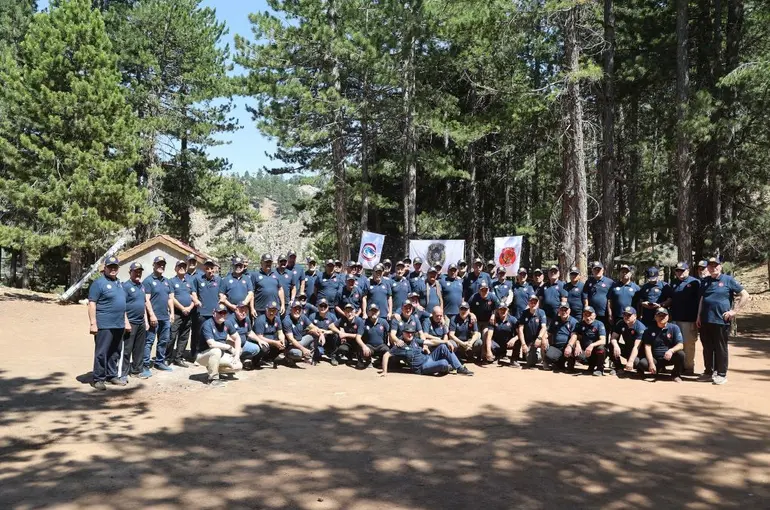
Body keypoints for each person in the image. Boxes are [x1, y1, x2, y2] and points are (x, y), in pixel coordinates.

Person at [697, 257, 750, 385]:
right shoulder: (705, 281)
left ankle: (721, 374)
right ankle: (708, 372)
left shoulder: (728, 280)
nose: (713, 268)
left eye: (715, 265)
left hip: (721, 320)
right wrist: (698, 316)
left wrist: (734, 311)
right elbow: (702, 299)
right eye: (710, 266)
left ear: (720, 266)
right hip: (705, 320)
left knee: (720, 348)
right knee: (707, 348)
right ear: (707, 268)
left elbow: (745, 295)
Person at [88, 256, 131, 390]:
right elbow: (91, 303)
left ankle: (111, 375)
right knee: (102, 352)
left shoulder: (119, 283)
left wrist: (126, 322)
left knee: (115, 352)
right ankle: (98, 379)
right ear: (105, 268)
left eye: (115, 267)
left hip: (119, 324)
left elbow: (122, 305)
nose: (113, 269)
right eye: (110, 266)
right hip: (104, 324)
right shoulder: (98, 283)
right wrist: (93, 323)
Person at [380, 324, 474, 377]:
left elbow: (431, 342)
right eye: (408, 333)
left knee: (443, 347)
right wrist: (384, 371)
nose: (410, 335)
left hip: (429, 358)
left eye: (412, 333)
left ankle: (460, 368)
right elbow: (386, 355)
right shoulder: (400, 345)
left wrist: (446, 341)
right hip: (421, 367)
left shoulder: (415, 340)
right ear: (403, 333)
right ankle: (447, 367)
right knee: (444, 363)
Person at [197, 303, 242, 387]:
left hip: (220, 354)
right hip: (202, 355)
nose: (222, 315)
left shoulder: (227, 323)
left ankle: (213, 368)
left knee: (238, 366)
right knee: (216, 350)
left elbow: (237, 338)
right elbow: (211, 344)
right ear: (214, 313)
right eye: (219, 313)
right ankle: (213, 379)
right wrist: (229, 347)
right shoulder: (208, 324)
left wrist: (237, 355)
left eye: (224, 313)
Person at [143, 256, 175, 372]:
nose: (161, 266)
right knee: (149, 341)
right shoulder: (148, 281)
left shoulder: (167, 281)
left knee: (163, 341)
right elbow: (146, 300)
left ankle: (159, 362)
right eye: (159, 264)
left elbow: (170, 299)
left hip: (165, 318)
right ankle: (145, 364)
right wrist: (151, 315)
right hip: (153, 318)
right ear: (154, 265)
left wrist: (172, 313)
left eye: (163, 264)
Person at [637, 308, 685, 382]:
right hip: (655, 358)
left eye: (664, 315)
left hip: (668, 357)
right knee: (643, 363)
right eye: (659, 315)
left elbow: (680, 345)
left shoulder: (674, 328)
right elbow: (647, 347)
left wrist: (671, 350)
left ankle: (675, 374)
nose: (662, 317)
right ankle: (654, 371)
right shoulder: (649, 329)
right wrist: (651, 363)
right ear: (655, 317)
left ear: (668, 317)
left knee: (681, 354)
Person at [670, 261, 701, 375]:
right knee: (676, 344)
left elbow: (700, 301)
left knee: (688, 344)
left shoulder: (695, 282)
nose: (680, 273)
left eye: (682, 270)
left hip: (689, 319)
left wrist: (698, 317)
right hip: (675, 319)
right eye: (678, 271)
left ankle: (688, 367)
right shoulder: (673, 283)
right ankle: (678, 366)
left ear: (688, 270)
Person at [169, 260, 199, 368]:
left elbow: (194, 296)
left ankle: (179, 358)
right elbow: (172, 298)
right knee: (172, 336)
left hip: (188, 313)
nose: (181, 268)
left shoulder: (190, 281)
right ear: (175, 268)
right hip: (177, 313)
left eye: (183, 266)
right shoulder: (171, 281)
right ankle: (168, 358)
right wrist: (182, 308)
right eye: (179, 266)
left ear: (186, 268)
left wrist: (190, 308)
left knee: (184, 337)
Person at [192, 259, 222, 361]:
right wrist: (196, 300)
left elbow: (222, 294)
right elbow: (193, 293)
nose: (210, 270)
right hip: (202, 312)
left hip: (215, 313)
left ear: (215, 269)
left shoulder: (219, 280)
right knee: (199, 334)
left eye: (212, 268)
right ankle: (196, 354)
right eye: (207, 268)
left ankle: (211, 354)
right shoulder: (198, 279)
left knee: (213, 334)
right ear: (204, 268)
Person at [566, 306, 607, 376]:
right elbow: (575, 336)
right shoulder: (579, 324)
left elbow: (603, 340)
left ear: (595, 315)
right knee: (571, 344)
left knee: (601, 348)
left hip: (594, 351)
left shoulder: (599, 324)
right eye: (585, 315)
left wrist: (592, 345)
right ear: (583, 316)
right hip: (584, 351)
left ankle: (599, 369)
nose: (588, 318)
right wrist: (577, 344)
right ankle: (570, 367)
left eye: (590, 315)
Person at [226, 301, 268, 370]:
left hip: (244, 344)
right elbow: (226, 338)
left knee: (257, 348)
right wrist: (236, 347)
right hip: (231, 346)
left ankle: (243, 359)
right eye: (241, 310)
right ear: (236, 309)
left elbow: (249, 332)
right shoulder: (229, 320)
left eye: (246, 310)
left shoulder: (246, 319)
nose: (244, 312)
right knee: (236, 368)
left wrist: (259, 340)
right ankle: (234, 359)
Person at [608, 306, 647, 377]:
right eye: (624, 315)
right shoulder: (621, 323)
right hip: (628, 348)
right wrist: (616, 346)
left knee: (636, 362)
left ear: (635, 316)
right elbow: (613, 337)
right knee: (611, 345)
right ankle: (619, 368)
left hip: (639, 353)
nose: (626, 317)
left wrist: (630, 361)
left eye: (629, 315)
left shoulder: (640, 327)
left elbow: (636, 347)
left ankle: (640, 371)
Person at [282, 300, 318, 366]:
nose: (297, 311)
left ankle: (308, 357)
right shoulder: (286, 320)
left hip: (300, 341)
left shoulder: (303, 316)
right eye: (295, 308)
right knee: (299, 354)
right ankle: (287, 357)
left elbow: (313, 327)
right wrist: (303, 349)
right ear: (291, 309)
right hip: (291, 346)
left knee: (315, 334)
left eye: (299, 309)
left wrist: (321, 334)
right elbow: (291, 340)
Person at [516, 294, 548, 368]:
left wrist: (539, 338)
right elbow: (520, 329)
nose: (533, 304)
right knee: (530, 362)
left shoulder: (541, 312)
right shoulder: (524, 313)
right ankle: (537, 355)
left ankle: (545, 362)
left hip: (538, 339)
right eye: (531, 302)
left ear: (538, 303)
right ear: (528, 303)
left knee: (544, 340)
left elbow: (544, 327)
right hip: (529, 341)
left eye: (535, 302)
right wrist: (523, 344)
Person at [544, 304, 578, 371]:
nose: (563, 312)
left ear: (569, 311)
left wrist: (569, 346)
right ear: (559, 311)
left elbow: (574, 335)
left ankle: (570, 364)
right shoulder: (555, 320)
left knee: (573, 350)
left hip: (568, 346)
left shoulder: (574, 321)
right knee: (549, 356)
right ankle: (559, 363)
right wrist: (544, 339)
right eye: (562, 310)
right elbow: (549, 333)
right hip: (557, 347)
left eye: (565, 310)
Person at [252, 301, 286, 368]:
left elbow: (280, 332)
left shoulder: (277, 319)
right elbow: (259, 337)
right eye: (270, 310)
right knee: (264, 348)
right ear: (266, 309)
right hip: (259, 342)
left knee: (285, 343)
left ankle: (267, 359)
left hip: (272, 340)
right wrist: (275, 342)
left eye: (274, 310)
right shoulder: (260, 320)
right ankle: (255, 361)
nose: (272, 312)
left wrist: (282, 340)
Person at [358, 303, 391, 368]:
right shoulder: (364, 322)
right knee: (363, 350)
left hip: (381, 346)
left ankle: (380, 361)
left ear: (379, 312)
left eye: (376, 311)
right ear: (368, 312)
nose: (374, 312)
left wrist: (390, 342)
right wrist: (364, 346)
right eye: (371, 311)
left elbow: (389, 333)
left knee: (388, 351)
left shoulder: (383, 322)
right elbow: (358, 337)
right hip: (369, 346)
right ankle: (368, 361)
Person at [583, 261, 614, 329]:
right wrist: (586, 310)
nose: (597, 271)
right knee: (592, 332)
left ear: (603, 270)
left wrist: (610, 314)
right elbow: (585, 296)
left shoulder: (610, 282)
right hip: (591, 313)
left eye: (599, 269)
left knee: (605, 332)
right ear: (592, 270)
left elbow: (611, 299)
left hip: (604, 314)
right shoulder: (588, 282)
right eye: (595, 269)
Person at [308, 298, 338, 365]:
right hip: (317, 340)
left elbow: (336, 330)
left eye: (325, 306)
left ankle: (333, 356)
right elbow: (308, 330)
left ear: (328, 307)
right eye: (321, 306)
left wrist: (326, 332)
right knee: (311, 338)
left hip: (329, 340)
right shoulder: (312, 316)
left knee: (335, 336)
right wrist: (319, 333)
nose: (323, 308)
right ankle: (315, 355)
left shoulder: (332, 316)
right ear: (318, 307)